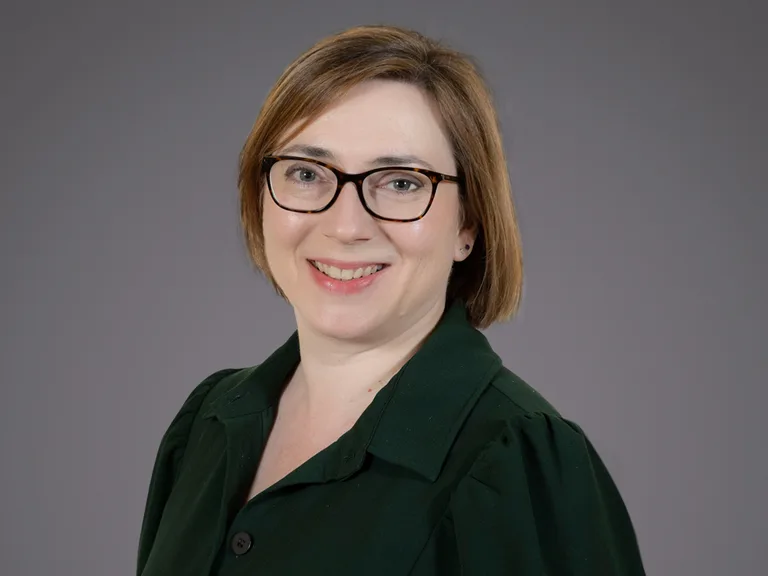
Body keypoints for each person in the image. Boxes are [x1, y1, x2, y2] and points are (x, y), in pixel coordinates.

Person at [136, 24, 646, 576]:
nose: (346, 225)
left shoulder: (520, 463)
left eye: (400, 182)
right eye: (306, 173)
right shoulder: (208, 424)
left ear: (467, 224)